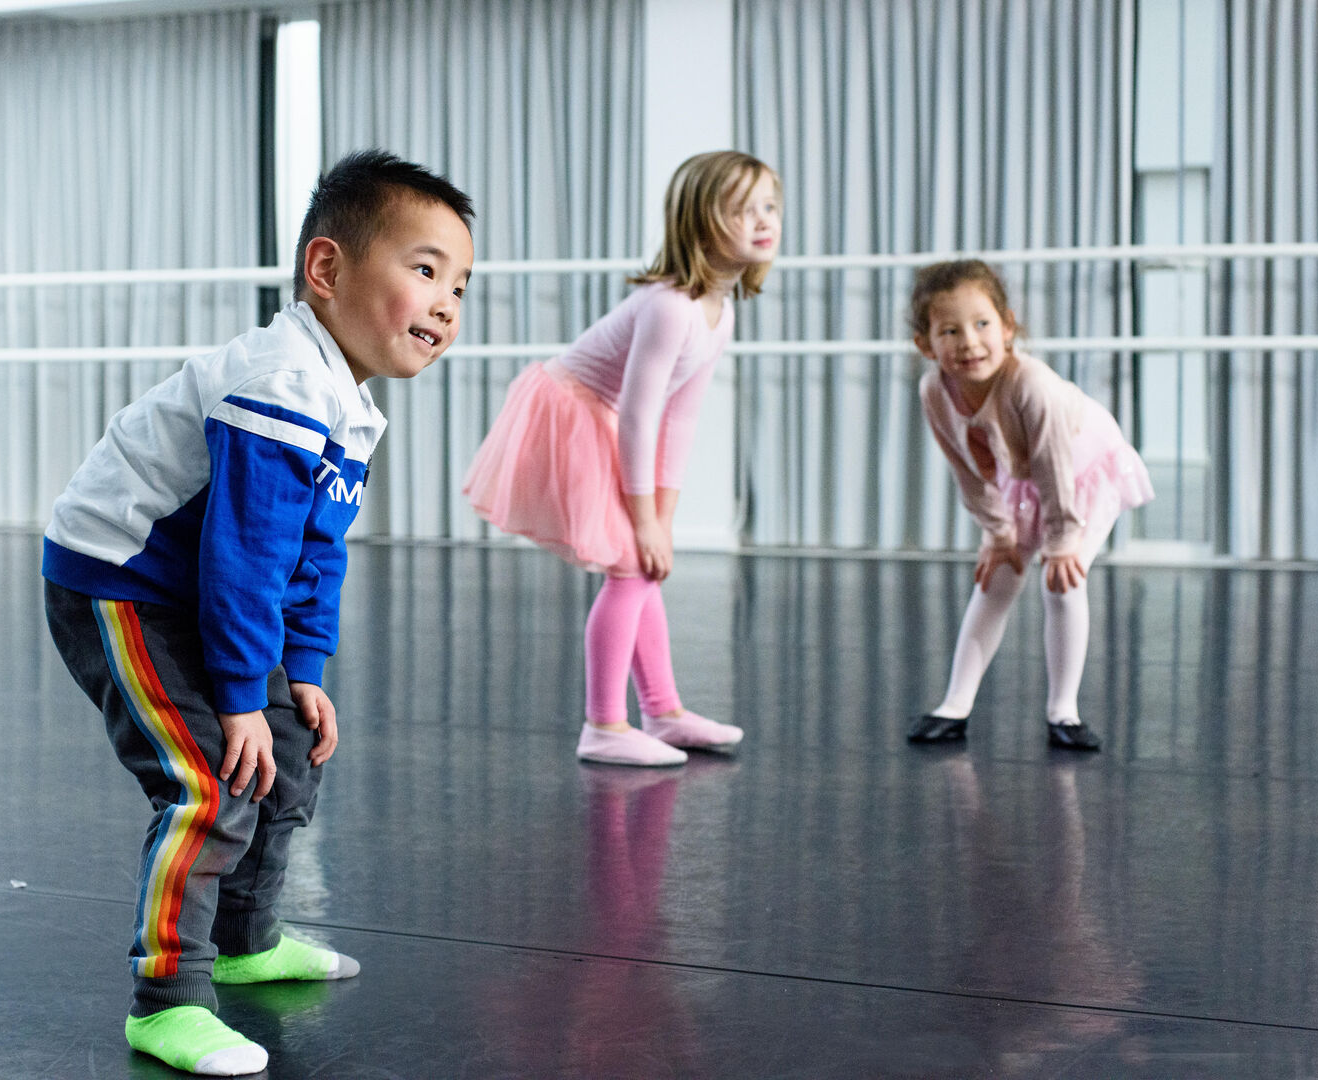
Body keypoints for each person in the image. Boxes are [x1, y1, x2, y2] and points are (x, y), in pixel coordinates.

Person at [42, 149, 474, 1076]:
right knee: (210, 775)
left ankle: (245, 939)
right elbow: (244, 560)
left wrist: (301, 678)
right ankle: (165, 1000)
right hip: (120, 580)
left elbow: (313, 556)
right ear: (327, 270)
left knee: (286, 760)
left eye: (462, 285)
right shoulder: (278, 381)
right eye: (426, 270)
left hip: (196, 582)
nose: (447, 303)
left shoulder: (346, 405)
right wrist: (241, 696)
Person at [464, 150, 782, 767]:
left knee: (645, 564)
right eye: (743, 209)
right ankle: (605, 724)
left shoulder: (720, 313)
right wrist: (644, 522)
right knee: (633, 566)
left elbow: (680, 418)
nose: (763, 220)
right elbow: (639, 413)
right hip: (572, 411)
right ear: (701, 221)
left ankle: (662, 712)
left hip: (603, 417)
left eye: (769, 206)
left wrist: (664, 516)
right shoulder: (670, 307)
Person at [905, 259, 1153, 751]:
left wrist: (1062, 543)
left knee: (1062, 581)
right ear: (926, 344)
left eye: (981, 325)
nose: (969, 342)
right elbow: (968, 470)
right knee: (998, 576)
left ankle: (1064, 711)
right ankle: (955, 705)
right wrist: (998, 535)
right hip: (1023, 471)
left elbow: (1056, 470)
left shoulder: (1031, 385)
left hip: (1082, 469)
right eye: (949, 331)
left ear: (1008, 327)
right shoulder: (934, 390)